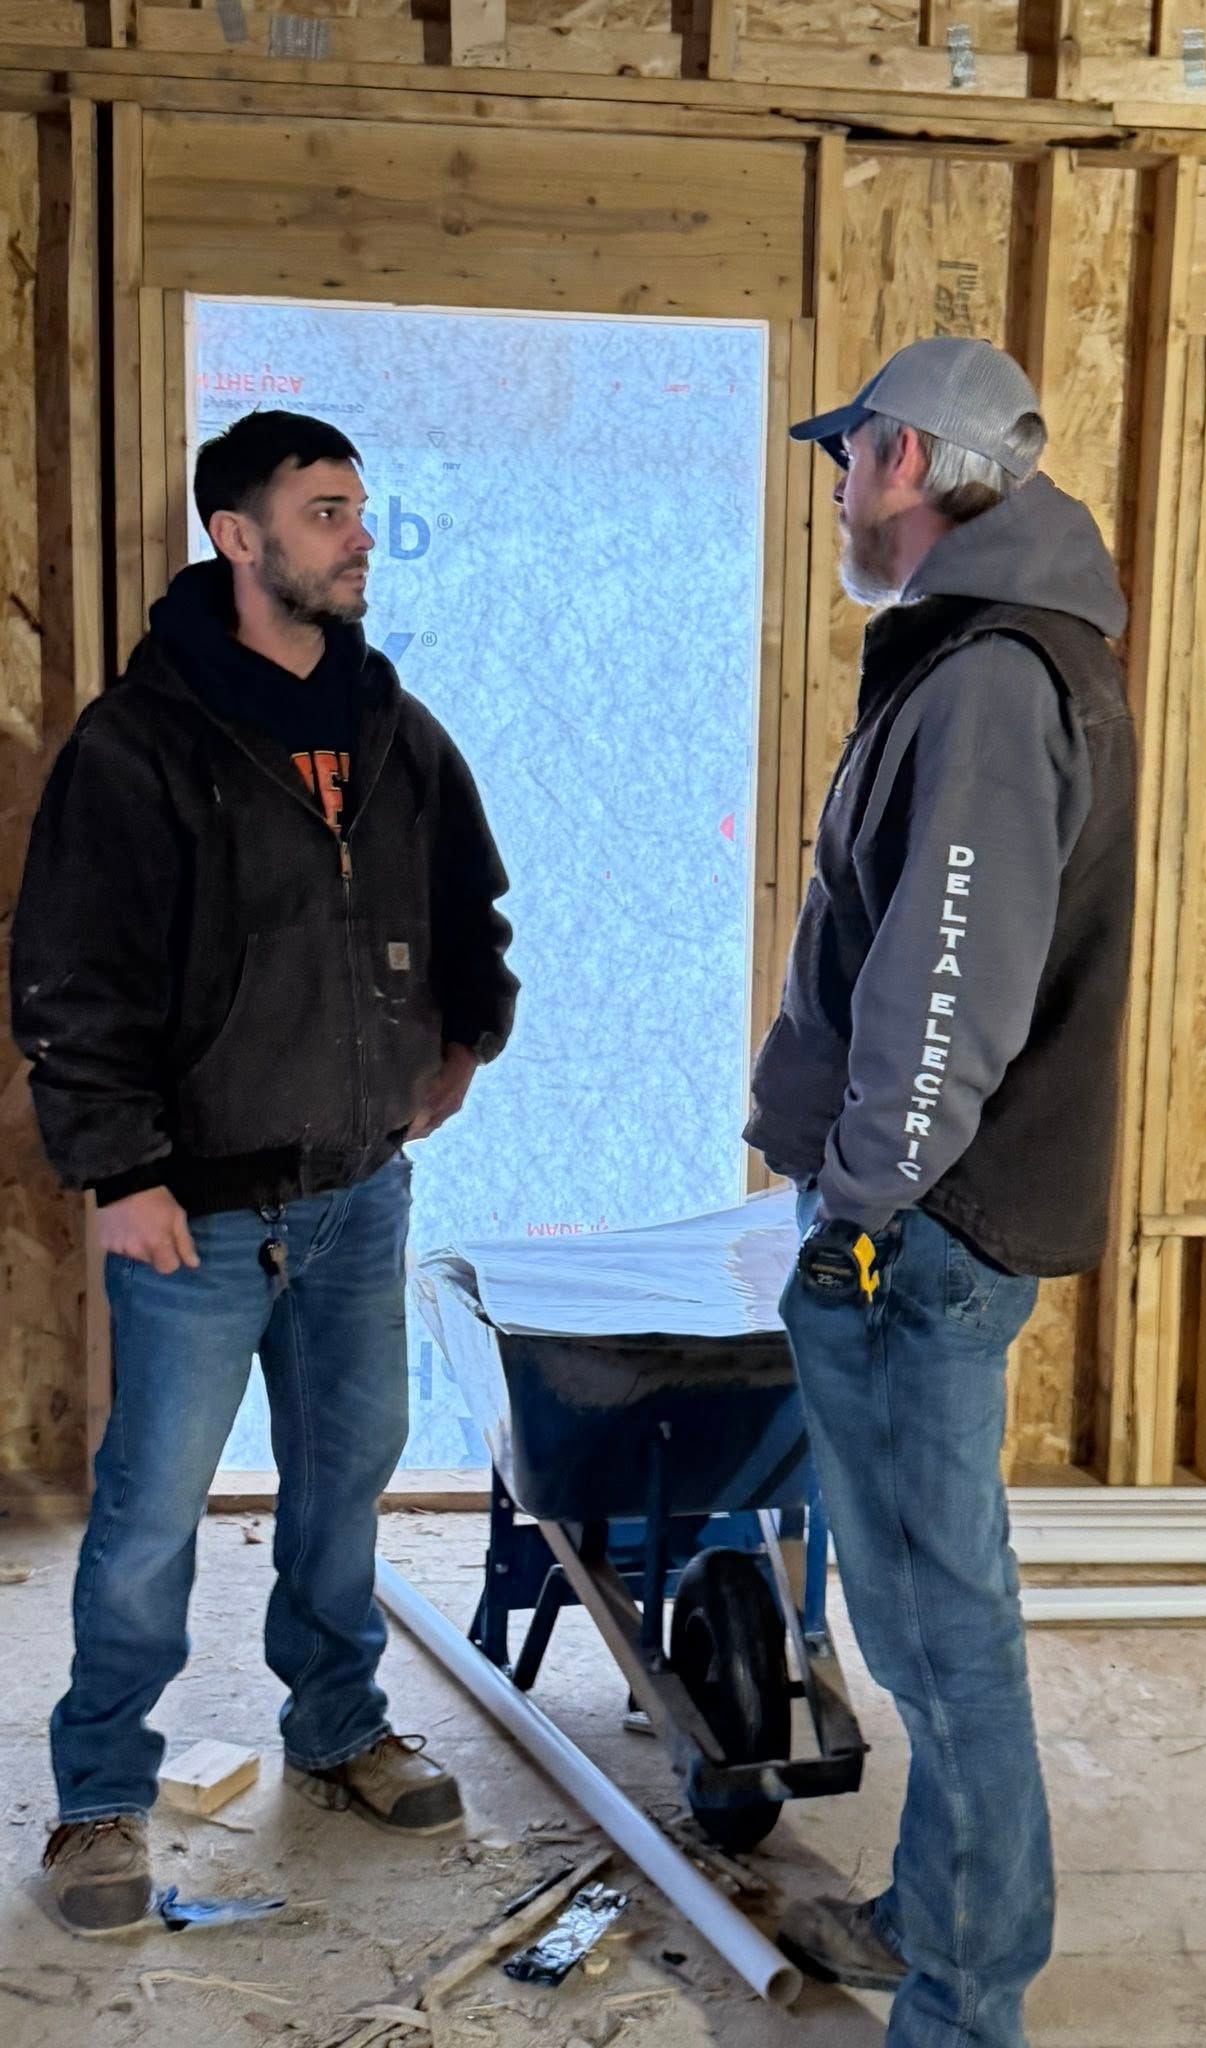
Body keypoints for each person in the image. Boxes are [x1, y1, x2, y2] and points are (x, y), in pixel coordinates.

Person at [11, 409, 518, 1935]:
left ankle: (338, 1727)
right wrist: (122, 1172)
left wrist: (467, 1035)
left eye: (360, 504)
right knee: (154, 1510)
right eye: (323, 510)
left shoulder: (385, 721)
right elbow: (69, 975)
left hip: (361, 1190)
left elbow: (466, 890)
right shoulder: (144, 741)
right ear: (239, 538)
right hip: (198, 1208)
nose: (358, 533)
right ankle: (101, 1797)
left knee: (345, 1483)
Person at [749, 338, 1136, 2047]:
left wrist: (864, 1199)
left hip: (931, 1222)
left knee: (937, 1627)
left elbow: (948, 979)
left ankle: (970, 2005)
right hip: (939, 1203)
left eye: (849, 458)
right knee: (925, 1610)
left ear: (908, 463)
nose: (834, 487)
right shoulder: (994, 651)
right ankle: (934, 1920)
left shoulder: (987, 678)